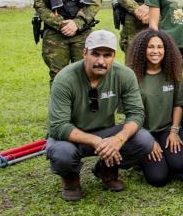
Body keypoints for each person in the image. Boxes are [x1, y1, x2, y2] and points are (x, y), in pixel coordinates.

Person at [45, 30, 154, 201]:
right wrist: (97, 141)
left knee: (144, 140)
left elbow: (136, 114)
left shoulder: (124, 75)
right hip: (71, 138)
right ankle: (70, 178)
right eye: (95, 54)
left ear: (114, 56)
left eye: (107, 55)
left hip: (106, 132)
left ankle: (105, 168)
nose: (101, 61)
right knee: (62, 154)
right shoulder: (64, 78)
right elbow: (59, 126)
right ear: (84, 53)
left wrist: (118, 139)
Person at [126, 29, 183, 187]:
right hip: (143, 131)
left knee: (179, 166)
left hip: (168, 128)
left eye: (160, 47)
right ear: (142, 50)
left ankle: (166, 154)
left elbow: (178, 104)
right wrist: (148, 141)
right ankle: (139, 158)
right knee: (158, 178)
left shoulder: (173, 72)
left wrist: (174, 131)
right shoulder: (131, 76)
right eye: (150, 47)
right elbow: (130, 115)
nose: (155, 51)